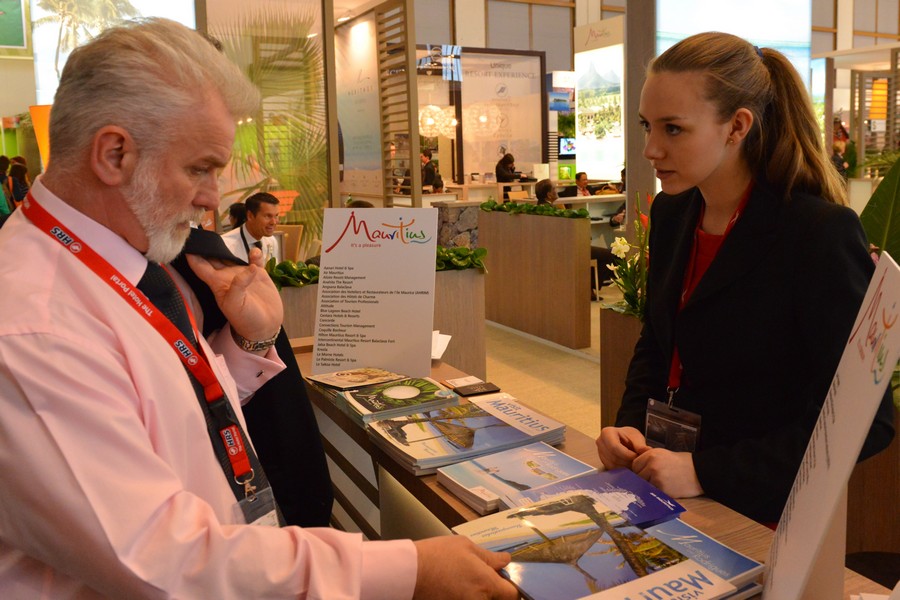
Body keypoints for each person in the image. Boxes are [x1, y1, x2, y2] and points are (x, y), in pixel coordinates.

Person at [0, 18, 516, 599]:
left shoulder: (116, 258)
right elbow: (158, 556)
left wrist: (247, 345)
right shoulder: (33, 327)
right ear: (114, 153)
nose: (211, 199)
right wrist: (408, 571)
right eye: (200, 168)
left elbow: (167, 416)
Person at [595, 31, 895, 524]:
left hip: (757, 513)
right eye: (648, 125)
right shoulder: (673, 212)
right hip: (663, 486)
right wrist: (629, 428)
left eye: (673, 129)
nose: (650, 149)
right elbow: (659, 341)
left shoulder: (816, 233)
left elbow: (864, 419)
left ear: (736, 126)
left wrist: (706, 472)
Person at [221, 191, 281, 263]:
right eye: (268, 216)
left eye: (276, 216)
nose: (274, 222)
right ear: (250, 216)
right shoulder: (226, 245)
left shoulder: (271, 241)